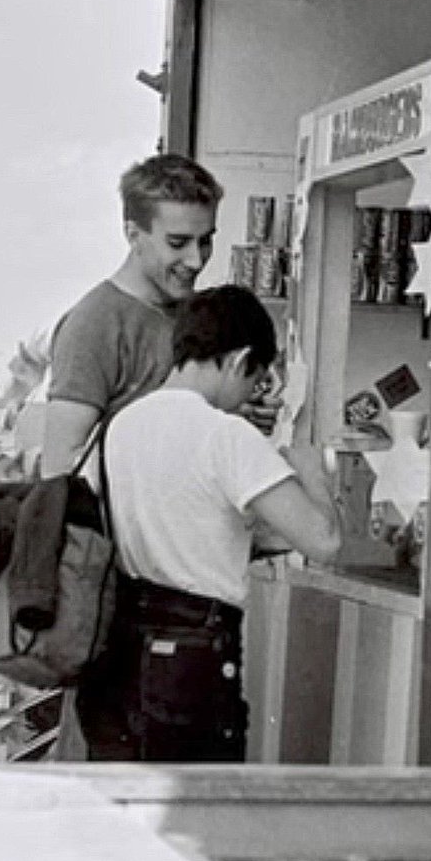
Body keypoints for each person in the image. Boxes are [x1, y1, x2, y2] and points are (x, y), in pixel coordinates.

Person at [40, 153, 278, 757]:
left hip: (193, 614)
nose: (195, 261)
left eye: (206, 241)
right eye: (178, 242)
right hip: (126, 612)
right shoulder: (95, 324)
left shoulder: (188, 315)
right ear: (132, 232)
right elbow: (59, 475)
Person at [76, 286, 342, 762]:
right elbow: (324, 541)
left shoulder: (119, 426)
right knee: (194, 821)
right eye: (254, 381)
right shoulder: (226, 435)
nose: (247, 399)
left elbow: (173, 521)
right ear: (239, 360)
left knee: (124, 816)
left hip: (117, 657)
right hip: (193, 658)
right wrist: (313, 471)